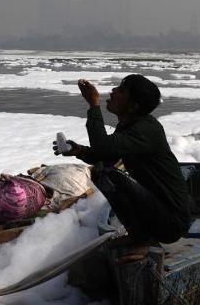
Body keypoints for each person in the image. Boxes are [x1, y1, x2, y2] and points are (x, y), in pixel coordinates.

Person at [55, 74, 190, 259]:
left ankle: (145, 242)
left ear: (133, 106)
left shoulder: (146, 129)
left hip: (172, 221)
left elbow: (103, 149)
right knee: (101, 171)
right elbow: (106, 156)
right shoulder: (131, 126)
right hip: (160, 214)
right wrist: (78, 150)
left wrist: (93, 104)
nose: (113, 91)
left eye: (121, 90)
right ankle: (138, 237)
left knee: (109, 176)